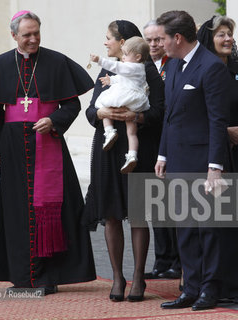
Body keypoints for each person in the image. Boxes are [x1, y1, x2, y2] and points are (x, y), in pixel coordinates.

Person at [0, 10, 96, 294]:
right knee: (17, 212)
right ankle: (22, 278)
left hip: (48, 142)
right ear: (14, 35)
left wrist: (55, 120)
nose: (33, 39)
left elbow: (72, 105)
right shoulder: (2, 64)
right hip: (14, 148)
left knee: (51, 211)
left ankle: (47, 278)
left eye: (36, 33)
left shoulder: (55, 61)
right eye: (26, 34)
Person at [83, 20, 164, 302]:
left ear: (123, 42)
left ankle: (139, 277)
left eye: (109, 39)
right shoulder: (107, 70)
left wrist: (136, 117)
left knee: (139, 215)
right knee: (111, 215)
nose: (105, 43)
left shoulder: (147, 71)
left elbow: (160, 112)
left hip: (137, 150)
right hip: (107, 150)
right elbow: (90, 112)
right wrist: (103, 115)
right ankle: (118, 277)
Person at [155, 11, 230, 311]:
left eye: (161, 38)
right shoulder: (172, 66)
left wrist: (215, 168)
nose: (157, 44)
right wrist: (162, 153)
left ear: (177, 38)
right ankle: (191, 287)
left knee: (207, 229)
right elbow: (168, 116)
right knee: (184, 228)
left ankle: (210, 289)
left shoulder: (211, 67)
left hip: (202, 162)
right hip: (177, 159)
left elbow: (217, 121)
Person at [197, 15, 238, 304]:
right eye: (221, 34)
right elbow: (192, 114)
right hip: (208, 154)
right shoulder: (199, 70)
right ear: (208, 40)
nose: (227, 39)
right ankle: (211, 285)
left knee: (235, 219)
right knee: (211, 219)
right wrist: (222, 132)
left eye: (229, 34)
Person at [142, 20, 182, 281]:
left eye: (158, 39)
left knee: (174, 207)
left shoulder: (175, 65)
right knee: (157, 207)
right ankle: (162, 260)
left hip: (170, 143)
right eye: (150, 40)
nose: (155, 45)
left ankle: (178, 262)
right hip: (150, 144)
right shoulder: (142, 67)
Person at [89, 36, 151, 173]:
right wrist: (110, 80)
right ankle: (132, 155)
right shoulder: (137, 69)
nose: (123, 57)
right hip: (134, 101)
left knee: (104, 104)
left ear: (138, 57)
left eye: (126, 55)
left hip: (126, 97)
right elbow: (122, 78)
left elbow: (117, 68)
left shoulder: (134, 67)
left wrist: (99, 60)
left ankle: (109, 131)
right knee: (132, 131)